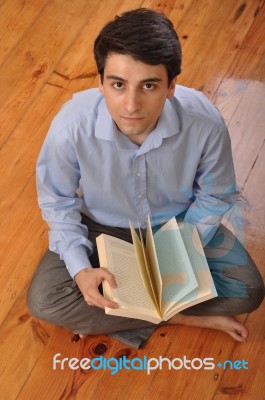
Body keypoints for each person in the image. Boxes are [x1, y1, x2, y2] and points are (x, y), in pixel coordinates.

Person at [27, 8, 264, 348]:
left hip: (180, 225)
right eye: (118, 85)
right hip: (101, 227)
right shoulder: (71, 126)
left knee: (250, 290)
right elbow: (58, 201)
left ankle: (121, 315)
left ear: (171, 86)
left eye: (149, 85)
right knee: (44, 299)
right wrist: (81, 269)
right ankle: (179, 314)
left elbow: (216, 194)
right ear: (100, 82)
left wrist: (179, 250)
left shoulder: (204, 123)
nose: (131, 104)